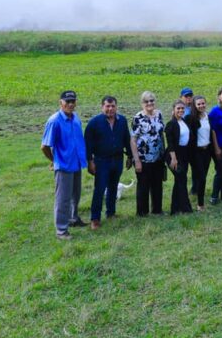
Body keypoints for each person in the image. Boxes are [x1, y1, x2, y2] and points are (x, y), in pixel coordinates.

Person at [41, 90, 87, 240]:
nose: (71, 104)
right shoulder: (54, 121)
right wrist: (54, 161)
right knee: (63, 199)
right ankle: (61, 230)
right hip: (64, 165)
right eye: (67, 101)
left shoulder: (75, 119)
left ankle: (73, 219)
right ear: (60, 103)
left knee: (76, 195)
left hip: (76, 163)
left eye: (73, 101)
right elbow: (44, 146)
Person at [84, 95, 132, 229]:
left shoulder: (122, 120)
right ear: (102, 107)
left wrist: (129, 156)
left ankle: (111, 213)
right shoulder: (94, 123)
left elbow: (126, 138)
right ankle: (95, 218)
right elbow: (87, 144)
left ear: (116, 107)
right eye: (107, 106)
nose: (110, 109)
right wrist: (90, 161)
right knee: (99, 190)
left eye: (113, 106)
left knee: (113, 187)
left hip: (117, 160)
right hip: (101, 161)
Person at [130, 91, 165, 216]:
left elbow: (161, 135)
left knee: (157, 184)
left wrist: (164, 153)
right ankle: (142, 212)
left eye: (152, 100)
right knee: (143, 186)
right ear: (142, 103)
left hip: (158, 157)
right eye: (146, 101)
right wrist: (137, 160)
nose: (150, 103)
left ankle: (157, 210)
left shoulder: (159, 114)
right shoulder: (138, 118)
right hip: (143, 158)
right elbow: (133, 139)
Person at [165, 100, 195, 215]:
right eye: (178, 108)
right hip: (173, 155)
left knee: (180, 181)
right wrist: (173, 158)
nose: (181, 110)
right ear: (173, 110)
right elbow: (170, 142)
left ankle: (175, 209)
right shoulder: (171, 124)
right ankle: (185, 208)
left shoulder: (184, 121)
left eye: (182, 108)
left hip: (184, 155)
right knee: (181, 180)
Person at [191, 96, 214, 211]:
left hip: (207, 151)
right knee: (201, 178)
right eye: (198, 104)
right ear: (194, 106)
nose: (201, 106)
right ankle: (200, 204)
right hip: (197, 152)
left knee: (203, 176)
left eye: (203, 103)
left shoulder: (207, 116)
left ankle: (197, 193)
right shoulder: (191, 118)